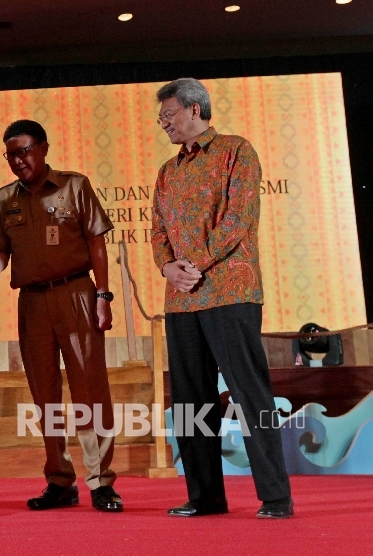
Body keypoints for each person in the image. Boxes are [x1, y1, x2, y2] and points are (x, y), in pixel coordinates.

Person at [151, 78, 293, 519]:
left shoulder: (237, 151)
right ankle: (205, 496)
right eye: (161, 118)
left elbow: (239, 218)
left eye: (169, 114)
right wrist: (166, 267)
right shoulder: (167, 172)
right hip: (181, 301)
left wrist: (195, 264)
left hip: (230, 290)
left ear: (195, 109)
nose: (164, 123)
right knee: (191, 402)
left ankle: (275, 497)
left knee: (250, 395)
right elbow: (157, 229)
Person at [0, 119, 122, 513]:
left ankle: (100, 481)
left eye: (25, 150)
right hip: (32, 301)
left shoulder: (74, 185)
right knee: (45, 395)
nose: (19, 160)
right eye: (11, 154)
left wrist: (103, 295)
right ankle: (59, 480)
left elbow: (96, 242)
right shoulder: (4, 199)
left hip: (76, 293)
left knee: (89, 390)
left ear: (43, 148)